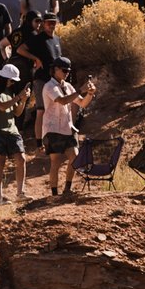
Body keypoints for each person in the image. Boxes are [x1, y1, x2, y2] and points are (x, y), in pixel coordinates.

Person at [41, 57, 95, 196]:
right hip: (53, 129)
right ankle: (54, 193)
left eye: (68, 71)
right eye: (64, 70)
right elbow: (63, 101)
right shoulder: (49, 86)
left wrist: (90, 93)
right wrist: (80, 91)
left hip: (68, 127)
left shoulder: (68, 86)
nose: (66, 73)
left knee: (75, 157)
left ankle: (67, 189)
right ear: (55, 69)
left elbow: (82, 103)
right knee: (56, 161)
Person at [0, 62, 31, 204]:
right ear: (4, 78)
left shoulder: (9, 91)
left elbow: (17, 112)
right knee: (0, 161)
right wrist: (18, 97)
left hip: (12, 129)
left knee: (21, 159)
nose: (12, 83)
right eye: (11, 80)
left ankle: (20, 193)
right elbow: (1, 106)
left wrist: (23, 100)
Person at [17, 12, 61, 136]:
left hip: (55, 80)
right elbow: (20, 49)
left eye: (54, 22)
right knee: (41, 110)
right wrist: (36, 58)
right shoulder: (38, 38)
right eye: (49, 22)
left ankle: (52, 136)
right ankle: (39, 142)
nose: (51, 25)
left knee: (54, 109)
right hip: (41, 79)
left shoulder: (57, 39)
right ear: (43, 24)